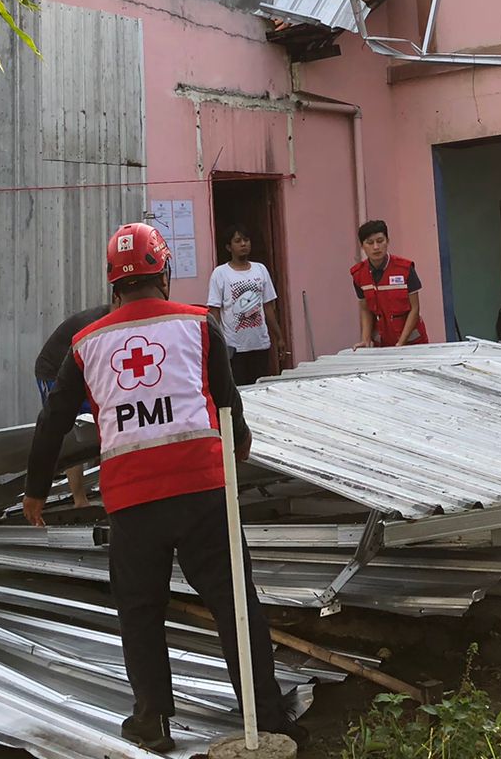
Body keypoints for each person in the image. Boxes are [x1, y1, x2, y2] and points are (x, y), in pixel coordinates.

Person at [24, 223, 305, 751]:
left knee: (141, 611)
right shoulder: (199, 326)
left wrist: (36, 489)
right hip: (202, 491)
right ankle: (266, 715)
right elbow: (227, 402)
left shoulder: (86, 344)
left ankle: (152, 723)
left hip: (132, 501)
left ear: (114, 284)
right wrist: (239, 442)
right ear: (165, 275)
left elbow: (52, 422)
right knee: (234, 603)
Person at [34, 301, 110, 508]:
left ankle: (104, 489)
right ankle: (79, 500)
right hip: (53, 371)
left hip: (83, 371)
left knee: (103, 424)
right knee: (69, 431)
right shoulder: (96, 326)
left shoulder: (114, 324)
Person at [206, 224, 286, 385]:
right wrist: (213, 344)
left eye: (246, 240)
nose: (243, 244)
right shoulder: (220, 274)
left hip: (260, 344)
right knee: (239, 390)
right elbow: (214, 312)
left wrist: (279, 337)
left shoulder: (260, 270)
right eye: (238, 241)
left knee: (261, 388)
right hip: (234, 347)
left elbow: (268, 307)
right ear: (229, 247)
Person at [350, 220, 428, 348]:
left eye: (380, 241)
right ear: (362, 246)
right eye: (370, 243)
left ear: (388, 241)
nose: (376, 247)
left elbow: (415, 309)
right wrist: (365, 339)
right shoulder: (358, 274)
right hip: (383, 343)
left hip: (412, 342)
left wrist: (401, 343)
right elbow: (365, 309)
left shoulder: (405, 269)